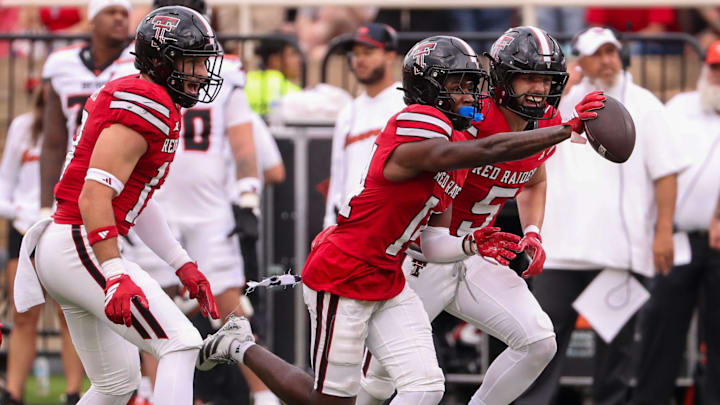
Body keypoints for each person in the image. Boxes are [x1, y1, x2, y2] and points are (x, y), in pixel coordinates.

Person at [196, 35, 603, 405]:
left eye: (469, 83)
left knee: (449, 378)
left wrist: (486, 241)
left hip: (414, 264)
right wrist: (565, 129)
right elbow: (482, 151)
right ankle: (241, 347)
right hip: (366, 265)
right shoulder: (423, 125)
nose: (469, 95)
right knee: (355, 393)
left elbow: (453, 220)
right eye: (457, 85)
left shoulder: (461, 136)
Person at [356, 26, 607, 405]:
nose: (539, 88)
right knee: (380, 377)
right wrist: (563, 129)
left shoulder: (546, 121)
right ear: (503, 79)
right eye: (529, 77)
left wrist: (534, 231)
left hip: (475, 252)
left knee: (538, 341)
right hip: (422, 255)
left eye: (546, 79)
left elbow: (533, 177)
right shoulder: (470, 113)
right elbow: (492, 148)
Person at [14, 6, 223, 405]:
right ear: (161, 62)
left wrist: (181, 263)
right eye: (191, 62)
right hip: (80, 242)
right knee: (180, 343)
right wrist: (114, 272)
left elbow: (135, 200)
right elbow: (94, 195)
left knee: (116, 384)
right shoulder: (147, 101)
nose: (199, 73)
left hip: (69, 244)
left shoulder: (149, 96)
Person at [515, 26, 690, 405]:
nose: (607, 60)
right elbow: (522, 139)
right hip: (560, 248)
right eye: (597, 53)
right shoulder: (557, 104)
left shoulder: (643, 103)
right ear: (580, 59)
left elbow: (666, 172)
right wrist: (561, 90)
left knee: (617, 353)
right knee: (542, 341)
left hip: (619, 252)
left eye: (611, 51)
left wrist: (662, 232)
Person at [120, 1, 281, 403]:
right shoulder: (135, 78)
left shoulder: (222, 72)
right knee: (152, 307)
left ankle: (262, 396)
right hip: (155, 204)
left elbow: (245, 145)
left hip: (208, 208)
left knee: (230, 307)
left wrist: (247, 200)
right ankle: (154, 393)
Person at [630, 40, 720, 405]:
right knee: (661, 328)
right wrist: (658, 227)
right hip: (679, 237)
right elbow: (658, 163)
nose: (718, 76)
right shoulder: (681, 107)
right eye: (714, 67)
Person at [0, 90, 83, 405]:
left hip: (63, 229)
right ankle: (13, 393)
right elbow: (6, 181)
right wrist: (19, 212)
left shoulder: (80, 130)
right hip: (24, 228)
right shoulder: (23, 126)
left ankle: (74, 393)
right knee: (23, 315)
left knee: (69, 314)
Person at [40, 0, 136, 216]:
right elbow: (53, 144)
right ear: (92, 19)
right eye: (111, 12)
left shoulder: (138, 63)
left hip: (124, 180)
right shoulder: (62, 63)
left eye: (124, 13)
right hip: (76, 177)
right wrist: (45, 205)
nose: (119, 18)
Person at [323, 22, 405, 228]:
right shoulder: (348, 111)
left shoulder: (406, 103)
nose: (359, 60)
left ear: (390, 55)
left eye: (368, 52)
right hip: (351, 226)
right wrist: (329, 224)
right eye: (356, 53)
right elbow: (337, 174)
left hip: (394, 223)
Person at [245, 33, 302, 115]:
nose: (299, 60)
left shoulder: (245, 81)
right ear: (275, 60)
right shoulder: (292, 92)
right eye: (293, 54)